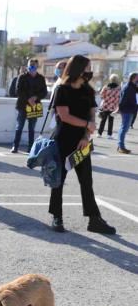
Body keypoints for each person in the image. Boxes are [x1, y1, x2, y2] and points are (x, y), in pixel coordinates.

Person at [49, 54, 115, 234]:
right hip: (62, 141)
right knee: (59, 180)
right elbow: (64, 116)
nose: (90, 71)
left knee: (86, 181)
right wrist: (87, 125)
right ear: (78, 69)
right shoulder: (62, 89)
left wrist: (86, 136)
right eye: (87, 67)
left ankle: (94, 220)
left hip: (82, 142)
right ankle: (57, 217)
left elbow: (92, 115)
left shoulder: (87, 89)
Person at [11, 58, 47, 153]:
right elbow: (18, 90)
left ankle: (30, 148)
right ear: (27, 66)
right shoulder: (22, 77)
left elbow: (44, 92)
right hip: (22, 105)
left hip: (34, 106)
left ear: (37, 66)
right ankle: (15, 146)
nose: (32, 67)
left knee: (31, 128)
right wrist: (28, 99)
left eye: (34, 65)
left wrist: (35, 97)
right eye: (30, 65)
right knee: (19, 126)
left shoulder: (41, 78)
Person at [117, 72, 138, 154]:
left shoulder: (132, 86)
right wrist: (120, 109)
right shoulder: (128, 87)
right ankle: (121, 147)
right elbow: (122, 100)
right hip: (127, 110)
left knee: (124, 128)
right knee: (124, 128)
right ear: (134, 78)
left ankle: (120, 146)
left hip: (130, 110)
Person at [97, 74, 120, 139]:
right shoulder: (118, 88)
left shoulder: (106, 87)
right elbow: (118, 98)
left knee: (103, 120)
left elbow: (101, 96)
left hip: (105, 106)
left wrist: (106, 98)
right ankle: (109, 135)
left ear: (110, 79)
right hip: (113, 107)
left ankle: (99, 133)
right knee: (111, 121)